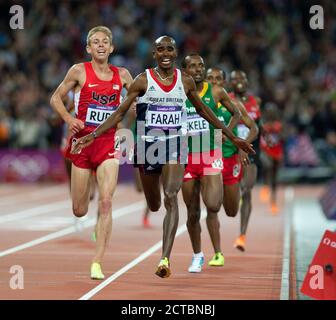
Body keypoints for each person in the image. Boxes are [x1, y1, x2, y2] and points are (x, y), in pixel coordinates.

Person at [72, 36, 255, 278]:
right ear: (155, 54)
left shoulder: (185, 81)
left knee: (171, 196)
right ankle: (154, 205)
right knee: (155, 203)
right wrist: (93, 135)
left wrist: (233, 137)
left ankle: (164, 259)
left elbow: (205, 111)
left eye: (170, 49)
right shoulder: (143, 80)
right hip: (149, 147)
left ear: (176, 52)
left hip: (175, 146)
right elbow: (119, 113)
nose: (165, 53)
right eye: (161, 49)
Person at [50, 26, 134, 280]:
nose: (100, 45)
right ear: (88, 48)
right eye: (95, 42)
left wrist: (131, 117)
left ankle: (97, 262)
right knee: (79, 209)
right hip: (82, 144)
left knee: (107, 202)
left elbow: (138, 102)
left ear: (111, 48)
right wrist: (67, 118)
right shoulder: (78, 71)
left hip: (109, 143)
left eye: (104, 42)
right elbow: (55, 98)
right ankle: (86, 210)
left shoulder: (123, 75)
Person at [181, 55, 241, 273]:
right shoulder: (179, 92)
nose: (198, 69)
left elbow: (236, 113)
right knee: (192, 212)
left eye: (200, 66)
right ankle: (198, 255)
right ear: (185, 70)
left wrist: (226, 134)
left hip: (210, 154)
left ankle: (217, 251)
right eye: (193, 66)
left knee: (213, 205)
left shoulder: (215, 91)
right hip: (188, 158)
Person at [206, 67, 258, 259]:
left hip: (230, 160)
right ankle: (217, 252)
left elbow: (254, 128)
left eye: (217, 78)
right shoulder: (200, 103)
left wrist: (244, 147)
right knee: (212, 206)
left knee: (231, 210)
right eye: (209, 78)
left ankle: (236, 199)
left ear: (224, 83)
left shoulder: (233, 104)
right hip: (209, 159)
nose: (213, 81)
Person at [227, 70, 262, 252]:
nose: (239, 81)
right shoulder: (226, 99)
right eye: (235, 79)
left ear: (247, 81)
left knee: (246, 189)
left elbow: (258, 128)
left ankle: (242, 235)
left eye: (242, 78)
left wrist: (246, 146)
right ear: (230, 83)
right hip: (231, 151)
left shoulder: (257, 102)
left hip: (251, 151)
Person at [260, 103, 284, 214]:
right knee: (267, 166)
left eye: (272, 111)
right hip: (265, 150)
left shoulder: (279, 124)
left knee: (274, 177)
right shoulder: (262, 123)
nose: (271, 113)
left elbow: (283, 137)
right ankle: (265, 185)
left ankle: (273, 201)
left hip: (276, 151)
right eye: (269, 111)